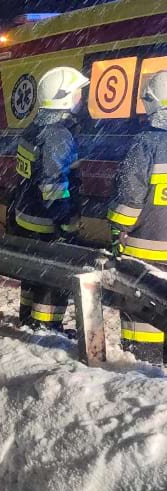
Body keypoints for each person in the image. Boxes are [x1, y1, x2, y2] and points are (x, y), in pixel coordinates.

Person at [10, 66, 90, 330]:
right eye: (78, 92)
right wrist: (66, 225)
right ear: (64, 97)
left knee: (33, 275)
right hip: (47, 223)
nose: (81, 97)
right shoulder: (58, 135)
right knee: (53, 278)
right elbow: (54, 188)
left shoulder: (34, 129)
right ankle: (45, 330)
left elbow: (25, 178)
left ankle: (28, 320)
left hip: (27, 218)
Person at [107, 70, 167, 365]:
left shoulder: (145, 143)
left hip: (144, 251)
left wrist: (118, 229)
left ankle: (142, 371)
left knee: (142, 317)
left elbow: (129, 196)